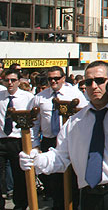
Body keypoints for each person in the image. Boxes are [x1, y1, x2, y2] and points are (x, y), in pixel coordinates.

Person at [19, 60, 108, 209]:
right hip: (91, 196)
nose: (94, 86)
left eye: (100, 81)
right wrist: (36, 160)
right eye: (89, 82)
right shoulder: (75, 122)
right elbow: (60, 158)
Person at [30, 66, 88, 210]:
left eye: (56, 78)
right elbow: (34, 123)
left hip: (70, 140)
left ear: (63, 78)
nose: (53, 81)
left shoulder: (74, 94)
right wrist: (35, 145)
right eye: (50, 79)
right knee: (54, 182)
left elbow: (85, 116)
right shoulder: (40, 97)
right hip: (50, 141)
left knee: (72, 180)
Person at [0, 68, 34, 210]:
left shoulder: (27, 97)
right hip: (1, 139)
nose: (10, 83)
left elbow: (33, 121)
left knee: (19, 175)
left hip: (18, 140)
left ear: (19, 81)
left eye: (13, 80)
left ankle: (20, 205)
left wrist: (32, 142)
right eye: (7, 80)